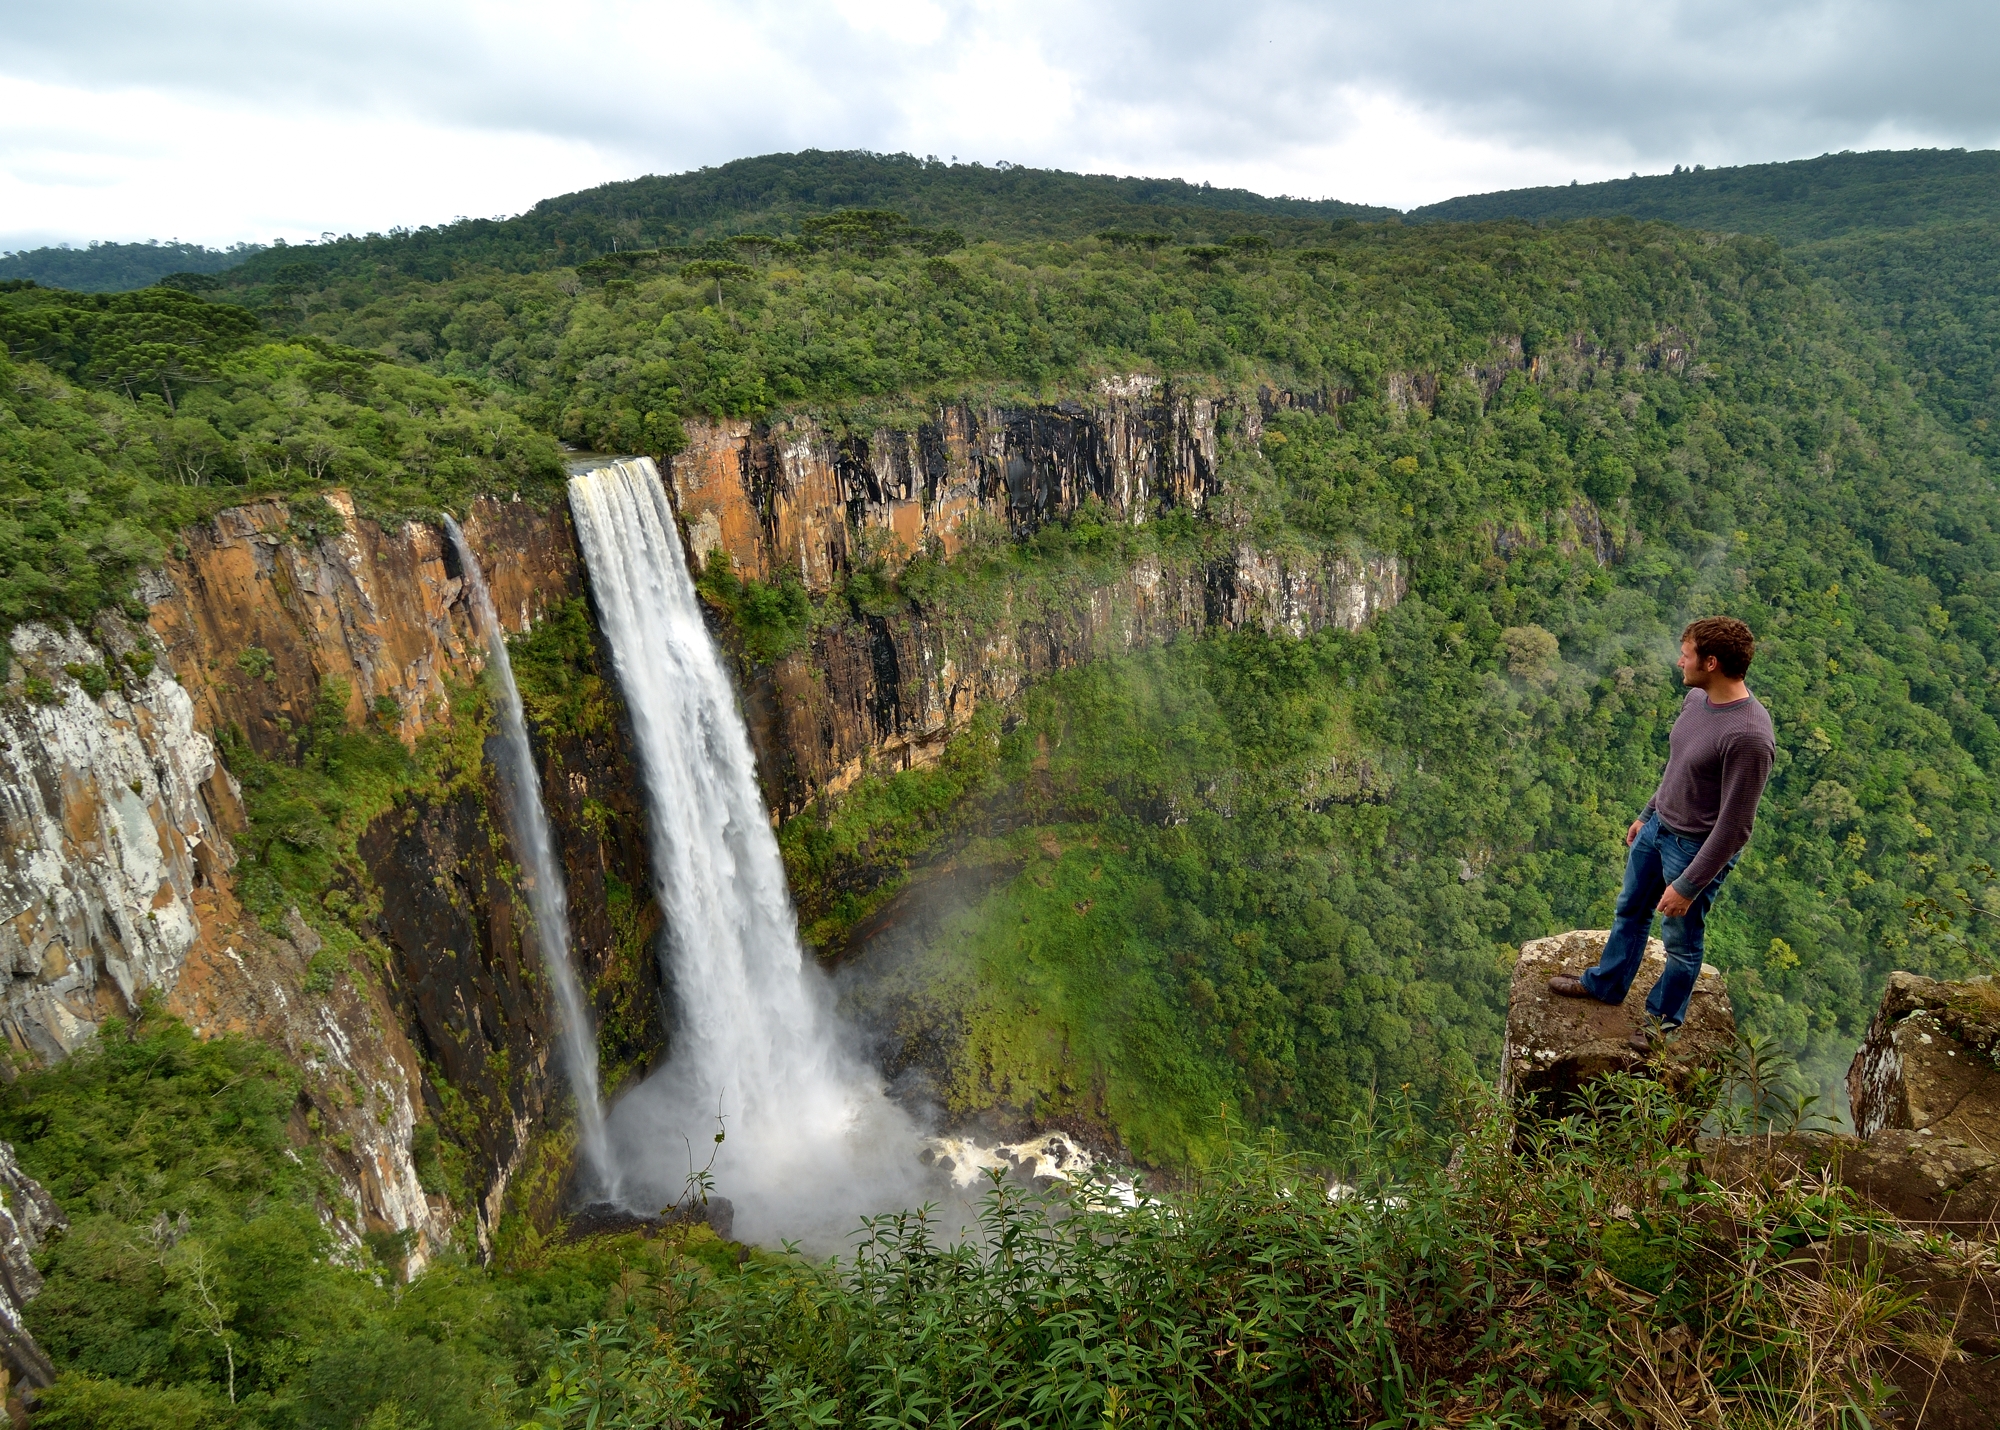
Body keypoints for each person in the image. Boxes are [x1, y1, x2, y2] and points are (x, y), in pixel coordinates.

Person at [1549, 616, 1775, 1048]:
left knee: (1682, 942)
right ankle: (1605, 985)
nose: (1679, 662)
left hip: (1694, 848)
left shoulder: (1749, 736)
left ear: (1711, 662)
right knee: (1630, 909)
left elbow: (1735, 826)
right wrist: (1648, 813)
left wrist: (1689, 885)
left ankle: (1661, 1023)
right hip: (1658, 829)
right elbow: (1679, 766)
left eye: (1686, 655)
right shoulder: (1696, 699)